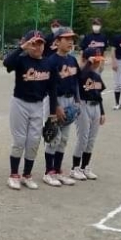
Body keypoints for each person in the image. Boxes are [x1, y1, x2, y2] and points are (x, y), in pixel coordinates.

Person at [3, 30, 58, 190]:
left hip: (38, 105)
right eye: (34, 43)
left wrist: (52, 113)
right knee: (19, 141)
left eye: (40, 43)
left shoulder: (48, 64)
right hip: (19, 103)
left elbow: (53, 90)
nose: (37, 47)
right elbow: (7, 63)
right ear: (28, 44)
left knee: (34, 141)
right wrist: (22, 48)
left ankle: (27, 175)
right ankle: (14, 175)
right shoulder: (21, 60)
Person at [43, 27, 80, 187]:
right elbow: (48, 87)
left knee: (63, 139)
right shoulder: (51, 61)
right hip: (55, 101)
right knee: (53, 137)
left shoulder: (72, 60)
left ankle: (58, 171)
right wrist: (56, 106)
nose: (70, 42)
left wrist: (77, 101)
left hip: (69, 100)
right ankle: (48, 172)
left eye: (72, 39)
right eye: (67, 39)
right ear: (57, 42)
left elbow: (76, 81)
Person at [70, 48, 106, 181]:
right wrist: (88, 63)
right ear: (86, 60)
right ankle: (75, 168)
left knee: (91, 139)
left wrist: (102, 112)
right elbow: (80, 77)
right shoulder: (80, 73)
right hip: (83, 106)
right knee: (83, 138)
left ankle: (85, 167)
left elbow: (99, 95)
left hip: (95, 107)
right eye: (95, 61)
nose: (98, 63)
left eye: (99, 61)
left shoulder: (97, 76)